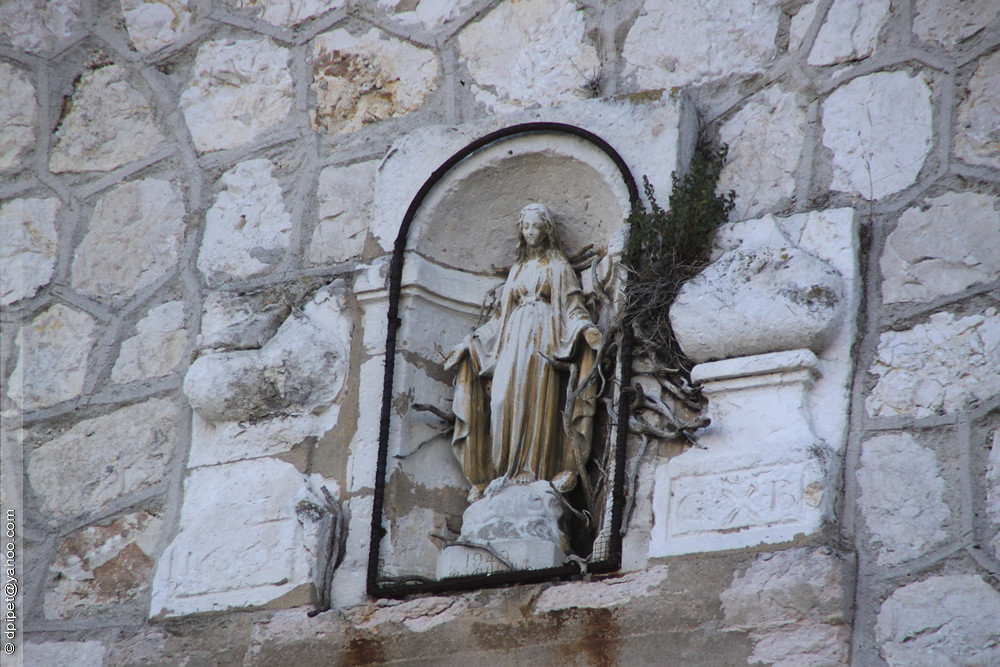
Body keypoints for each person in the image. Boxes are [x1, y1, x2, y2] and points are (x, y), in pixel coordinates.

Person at [445, 203, 602, 502]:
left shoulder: (558, 267)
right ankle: (502, 472)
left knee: (536, 398)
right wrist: (470, 342)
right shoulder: (517, 270)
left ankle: (533, 471)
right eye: (525, 227)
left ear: (546, 230)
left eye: (535, 226)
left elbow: (573, 306)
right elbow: (498, 317)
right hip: (512, 339)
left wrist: (585, 328)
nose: (530, 232)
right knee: (503, 399)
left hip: (544, 337)